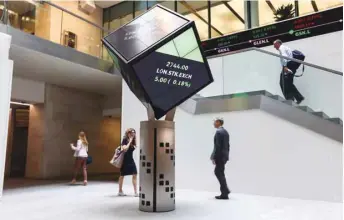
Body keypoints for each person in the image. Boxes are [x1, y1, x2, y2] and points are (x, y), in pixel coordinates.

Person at [273, 39, 305, 104]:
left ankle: (290, 99)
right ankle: (297, 98)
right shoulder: (285, 48)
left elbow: (284, 57)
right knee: (288, 82)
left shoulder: (282, 48)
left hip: (288, 65)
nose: (274, 47)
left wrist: (285, 67)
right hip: (291, 65)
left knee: (283, 82)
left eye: (274, 45)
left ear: (278, 43)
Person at [210, 118, 230, 200]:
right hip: (224, 156)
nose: (214, 123)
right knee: (220, 172)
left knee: (218, 172)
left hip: (220, 156)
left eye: (214, 122)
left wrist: (214, 157)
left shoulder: (218, 132)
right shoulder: (225, 132)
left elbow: (217, 147)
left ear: (218, 122)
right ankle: (225, 191)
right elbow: (227, 145)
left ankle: (225, 192)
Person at [118, 128, 138, 197]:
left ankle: (135, 192)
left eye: (133, 133)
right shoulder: (124, 140)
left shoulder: (133, 141)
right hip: (125, 160)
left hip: (130, 159)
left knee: (135, 174)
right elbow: (125, 149)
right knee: (122, 175)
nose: (132, 134)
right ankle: (120, 191)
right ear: (127, 133)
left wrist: (133, 142)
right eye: (130, 133)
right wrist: (129, 141)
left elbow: (133, 148)